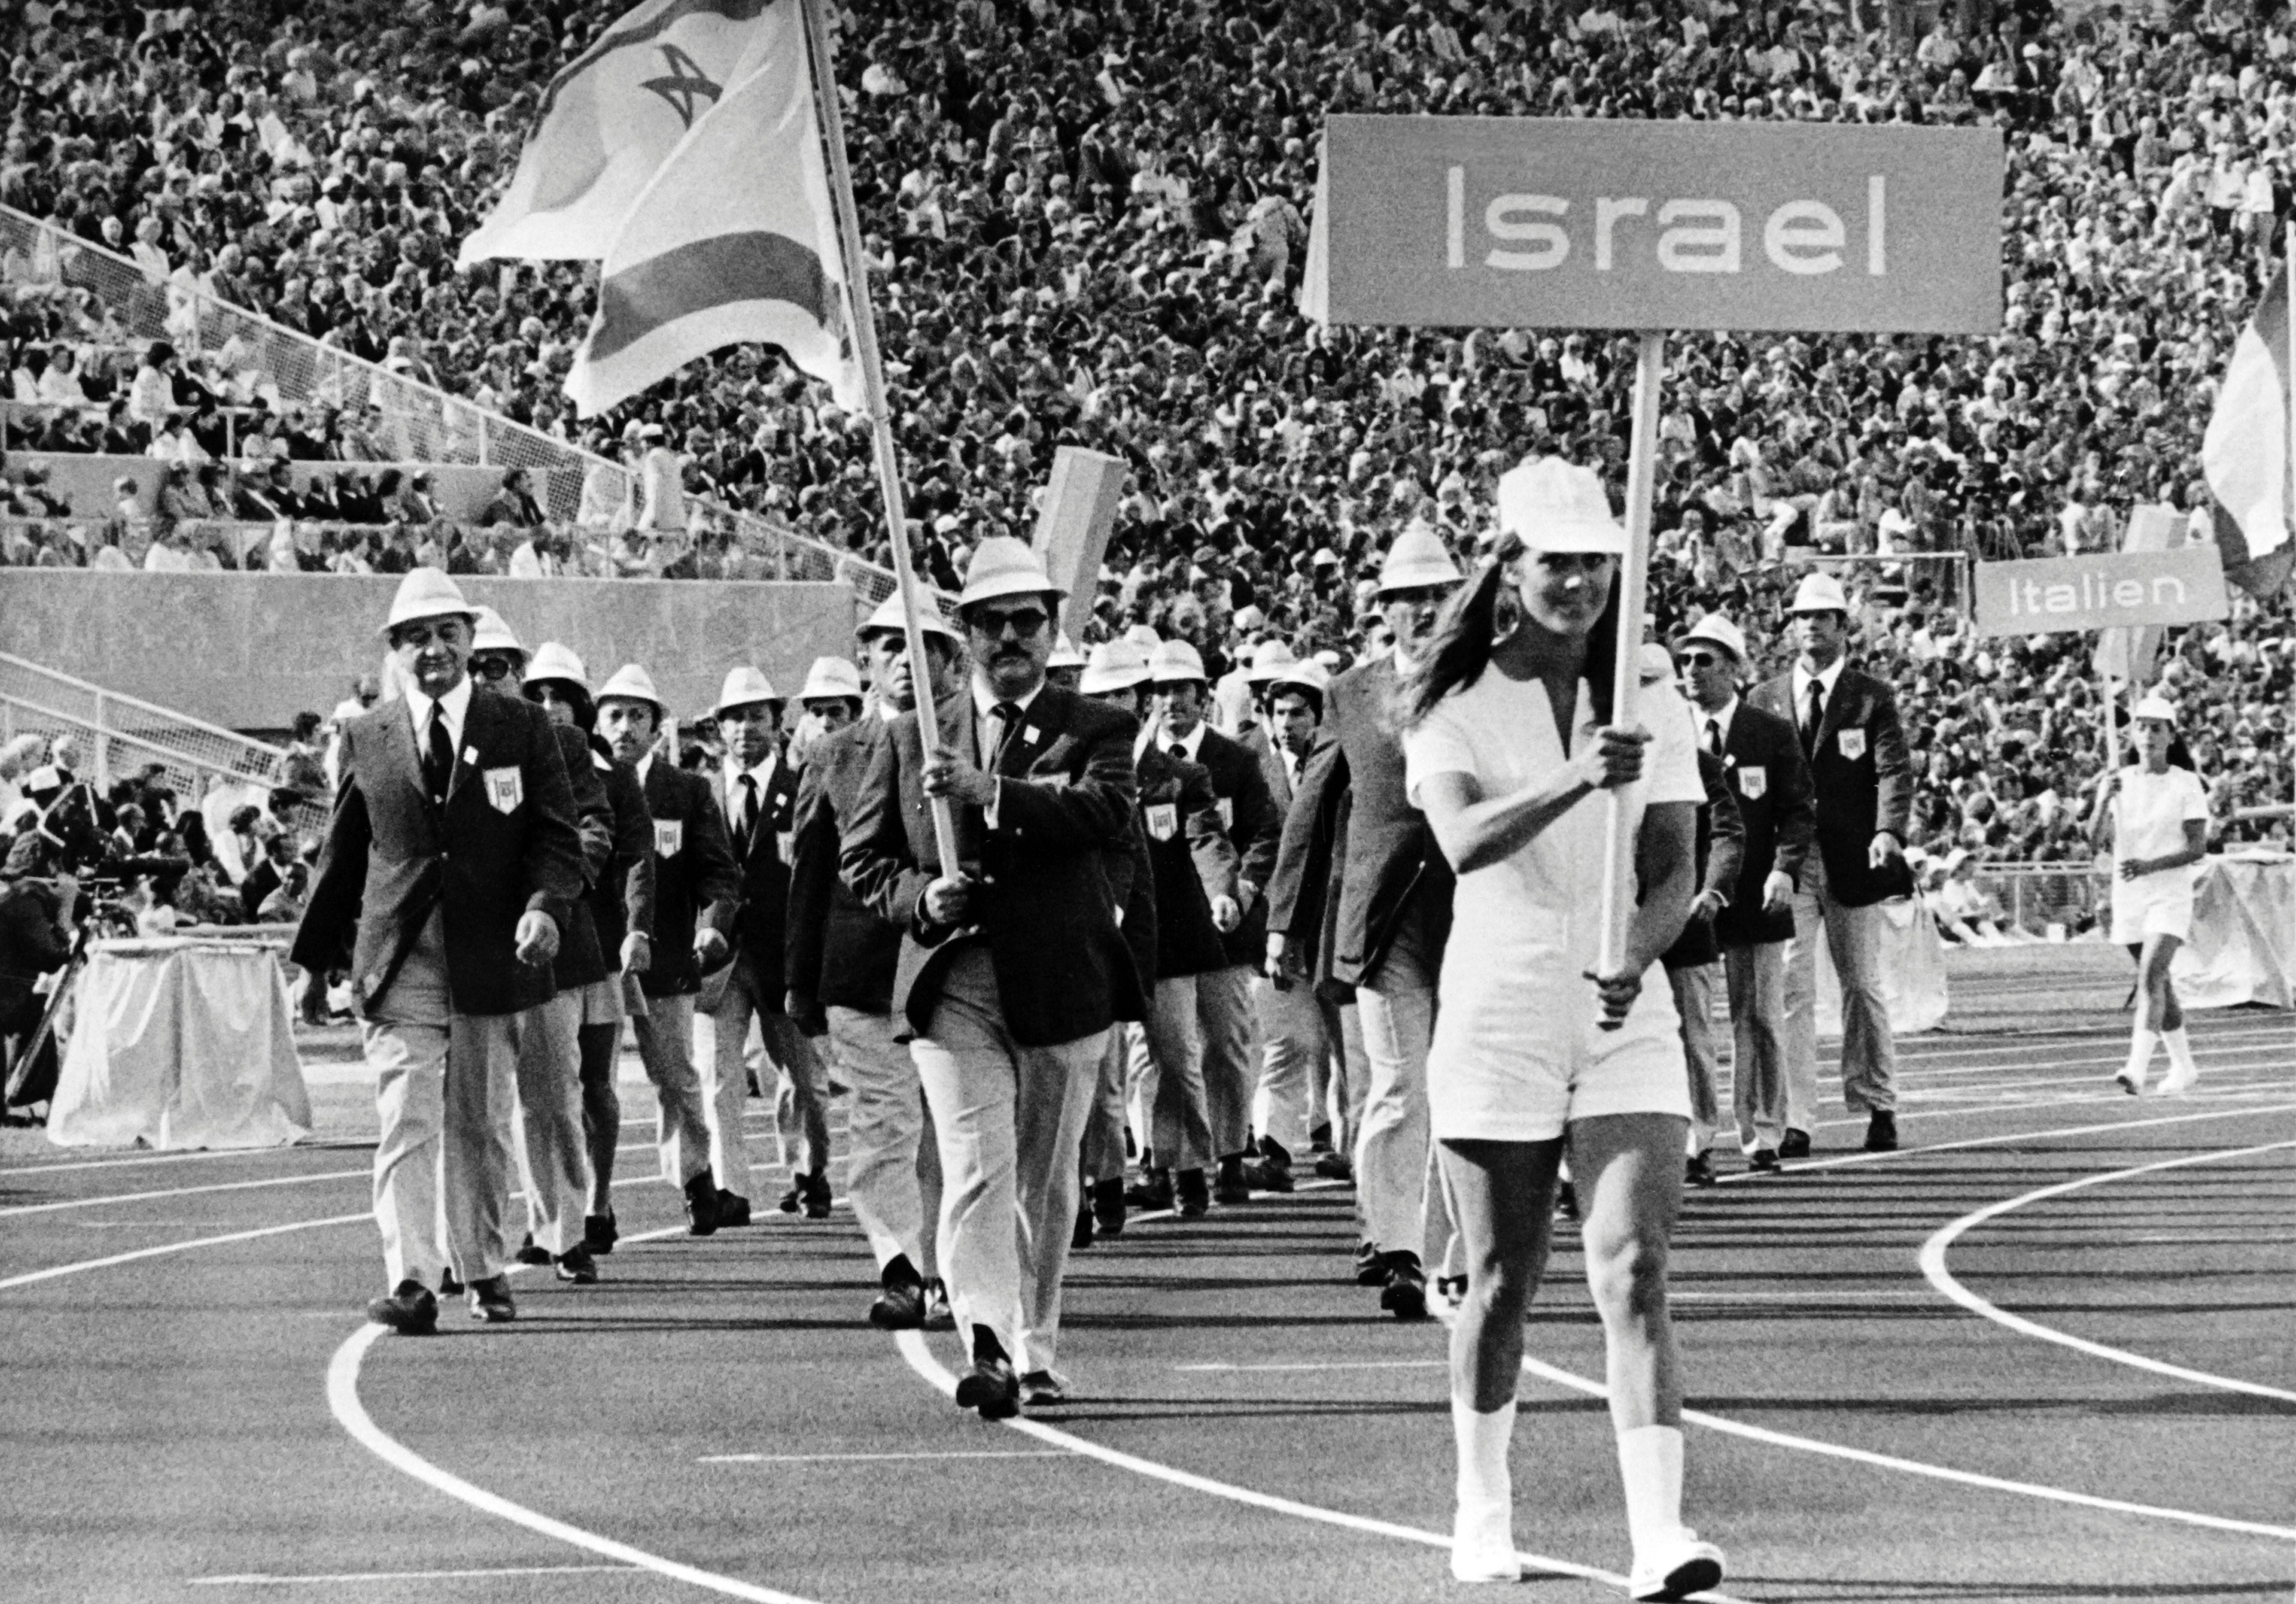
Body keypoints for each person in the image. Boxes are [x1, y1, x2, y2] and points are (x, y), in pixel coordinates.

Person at [1398, 457, 1723, 1598]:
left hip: (1621, 1007)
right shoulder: (1453, 701)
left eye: (1597, 562)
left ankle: (1658, 1536)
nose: (1579, 581)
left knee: (1634, 1268)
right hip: (1498, 1007)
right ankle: (1481, 1508)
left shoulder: (1651, 690)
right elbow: (1462, 843)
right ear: (1513, 567)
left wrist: (1637, 952)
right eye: (1558, 562)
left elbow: (1678, 862)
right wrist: (1582, 778)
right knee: (1501, 1279)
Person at [841, 539, 1142, 1418]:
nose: (1009, 637)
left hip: (1064, 981)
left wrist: (989, 792)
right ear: (964, 634)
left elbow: (1102, 811)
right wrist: (923, 900)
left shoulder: (1099, 729)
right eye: (990, 623)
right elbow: (866, 861)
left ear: (1052, 629)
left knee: (1047, 1182)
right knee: (977, 1164)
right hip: (955, 977)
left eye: (1026, 622)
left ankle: (1035, 1340)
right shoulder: (910, 736)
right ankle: (988, 1341)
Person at [291, 569, 583, 1333]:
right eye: (417, 636)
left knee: (481, 1122)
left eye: (448, 632)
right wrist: (317, 959)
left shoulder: (522, 726)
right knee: (406, 1118)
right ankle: (414, 1276)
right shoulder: (367, 734)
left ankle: (482, 1262)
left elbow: (558, 835)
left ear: (469, 638)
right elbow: (343, 852)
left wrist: (545, 907)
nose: (435, 648)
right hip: (401, 958)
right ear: (394, 648)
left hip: (496, 953)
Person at [1265, 521, 1462, 1321]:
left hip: (1473, 902)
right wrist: (1283, 921)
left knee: (1459, 1088)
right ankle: (1395, 1243)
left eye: (1433, 596)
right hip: (1383, 916)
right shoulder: (1349, 692)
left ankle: (1450, 1246)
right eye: (1404, 598)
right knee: (1400, 1081)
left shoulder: (1490, 682)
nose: (1419, 609)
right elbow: (1313, 810)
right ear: (1382, 609)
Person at [785, 594, 960, 1329]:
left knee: (950, 1124)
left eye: (924, 647)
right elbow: (812, 874)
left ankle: (953, 1261)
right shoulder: (835, 754)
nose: (905, 660)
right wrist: (800, 978)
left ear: (953, 661)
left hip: (956, 966)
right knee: (883, 1125)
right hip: (863, 970)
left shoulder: (975, 746)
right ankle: (899, 1264)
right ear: (867, 661)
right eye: (890, 646)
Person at [465, 610, 611, 1286]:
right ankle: (471, 1244)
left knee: (553, 1094)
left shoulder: (558, 741)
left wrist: (546, 898)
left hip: (549, 947)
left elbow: (592, 831)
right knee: (475, 1106)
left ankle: (566, 1228)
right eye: (474, 665)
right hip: (469, 950)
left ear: (519, 673)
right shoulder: (435, 741)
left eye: (496, 666)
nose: (483, 678)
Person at [1748, 572, 1912, 1157]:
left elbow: (1893, 769)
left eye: (1822, 617)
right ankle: (1796, 1118)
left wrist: (1888, 831)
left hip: (1853, 857)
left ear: (1844, 627)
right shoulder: (1764, 697)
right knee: (1792, 990)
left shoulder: (1871, 696)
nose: (1810, 626)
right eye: (1801, 617)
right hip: (1789, 860)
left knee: (1862, 986)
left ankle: (1878, 1102)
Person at [1080, 637, 1237, 1230]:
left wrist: (1223, 889)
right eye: (1102, 695)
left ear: (1140, 699)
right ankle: (1108, 1181)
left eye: (1123, 693)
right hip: (1099, 936)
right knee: (1101, 1071)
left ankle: (1188, 1165)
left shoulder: (1179, 775)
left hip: (1167, 940)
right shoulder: (1076, 771)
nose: (1114, 705)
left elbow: (1207, 838)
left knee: (1176, 1058)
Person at [595, 661, 741, 1234]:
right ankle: (593, 1203)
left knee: (676, 1075)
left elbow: (719, 873)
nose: (625, 727)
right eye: (614, 715)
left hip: (667, 959)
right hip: (600, 962)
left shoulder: (686, 791)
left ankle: (697, 1175)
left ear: (659, 726)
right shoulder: (582, 784)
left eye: (637, 715)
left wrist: (714, 923)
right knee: (593, 1083)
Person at [522, 642, 656, 1254]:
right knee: (549, 1089)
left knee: (595, 1084)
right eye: (539, 697)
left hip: (598, 949)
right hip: (539, 944)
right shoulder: (516, 765)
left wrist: (635, 928)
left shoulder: (612, 777)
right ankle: (551, 1215)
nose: (550, 709)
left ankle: (598, 1203)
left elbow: (635, 858)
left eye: (561, 698)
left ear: (581, 706)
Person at [1674, 613, 1812, 1175]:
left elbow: (1798, 811)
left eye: (1704, 659)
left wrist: (1785, 868)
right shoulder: (1670, 732)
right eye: (1685, 660)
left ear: (1733, 667)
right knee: (1692, 1023)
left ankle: (1762, 1132)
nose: (1691, 670)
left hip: (1756, 897)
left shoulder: (1771, 733)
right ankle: (1697, 1135)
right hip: (1690, 897)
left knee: (1758, 1017)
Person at [1145, 637, 1281, 1203]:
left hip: (1225, 930)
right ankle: (1176, 1161)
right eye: (1162, 691)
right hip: (1165, 930)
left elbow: (1264, 835)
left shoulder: (1237, 762)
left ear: (1204, 696)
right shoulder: (1134, 764)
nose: (1172, 701)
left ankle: (1228, 1152)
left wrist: (1243, 891)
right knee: (1169, 1053)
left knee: (1226, 1044)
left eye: (1182, 690)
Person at [701, 664, 829, 1223]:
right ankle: (730, 1188)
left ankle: (809, 1170)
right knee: (719, 1076)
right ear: (718, 729)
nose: (745, 729)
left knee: (803, 1075)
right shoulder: (698, 793)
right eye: (734, 719)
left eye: (757, 717)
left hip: (785, 955)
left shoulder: (801, 791)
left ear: (779, 724)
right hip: (720, 957)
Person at [1653, 641, 1744, 1191]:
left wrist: (1711, 891)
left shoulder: (1699, 765)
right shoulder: (1604, 755)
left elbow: (1728, 831)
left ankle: (1697, 1143)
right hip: (1615, 922)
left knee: (1691, 1037)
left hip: (1684, 923)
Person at [2087, 696, 2209, 1095]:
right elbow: (2094, 841)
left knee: (2151, 975)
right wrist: (2105, 797)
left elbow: (2197, 848)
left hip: (2169, 893)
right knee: (2160, 983)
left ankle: (2136, 1068)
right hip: (2130, 894)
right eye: (2143, 727)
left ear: (2172, 735)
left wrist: (2150, 865)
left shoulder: (2185, 782)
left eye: (2158, 728)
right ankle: (2184, 1067)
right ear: (2134, 734)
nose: (2149, 735)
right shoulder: (2118, 780)